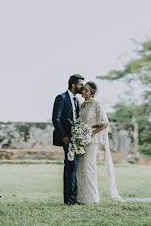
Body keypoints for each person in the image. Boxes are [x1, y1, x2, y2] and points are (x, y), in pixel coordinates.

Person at [76, 81, 122, 203]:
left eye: (87, 90)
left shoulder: (97, 104)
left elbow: (104, 123)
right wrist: (82, 131)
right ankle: (81, 198)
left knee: (88, 165)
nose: (84, 92)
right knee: (80, 166)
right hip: (81, 139)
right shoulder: (81, 105)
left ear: (92, 93)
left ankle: (92, 198)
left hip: (92, 140)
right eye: (83, 90)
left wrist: (90, 131)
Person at [52, 74, 84, 205]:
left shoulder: (76, 100)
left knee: (71, 167)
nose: (82, 86)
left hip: (77, 138)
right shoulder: (61, 97)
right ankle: (71, 200)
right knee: (71, 166)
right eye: (80, 84)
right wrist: (64, 136)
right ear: (73, 85)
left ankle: (71, 198)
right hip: (66, 139)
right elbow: (56, 119)